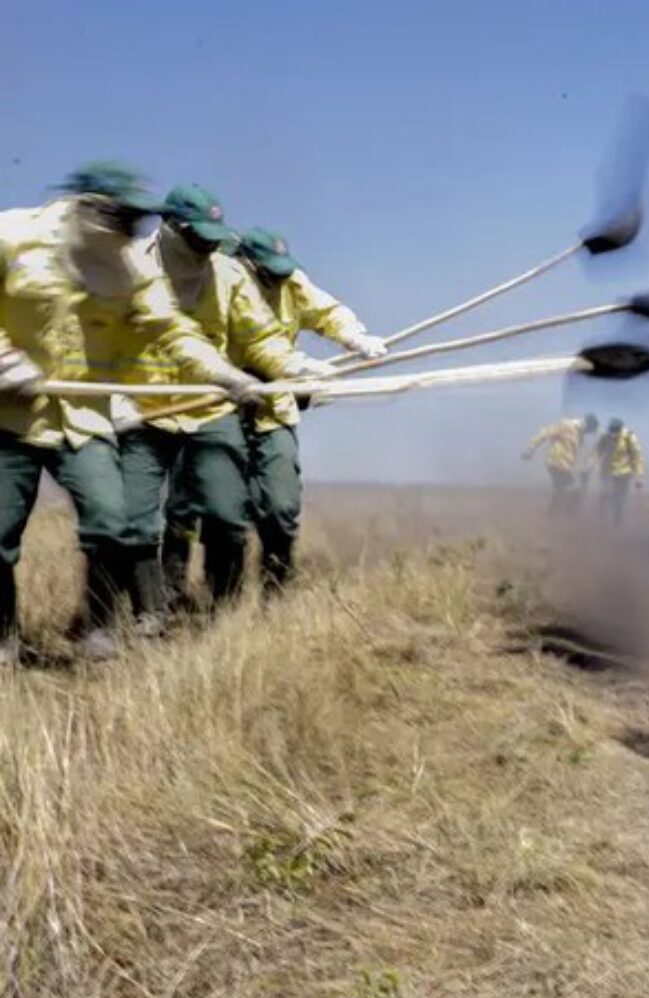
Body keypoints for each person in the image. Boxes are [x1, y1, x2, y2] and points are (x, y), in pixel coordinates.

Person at [0, 163, 264, 663]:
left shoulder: (132, 268)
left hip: (84, 417)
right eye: (122, 217)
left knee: (111, 521)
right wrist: (6, 359)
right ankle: (3, 639)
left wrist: (224, 374)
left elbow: (172, 329)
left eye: (136, 222)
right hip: (9, 418)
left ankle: (97, 627)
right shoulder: (12, 236)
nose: (130, 231)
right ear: (90, 207)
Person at [119, 184, 332, 621]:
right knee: (137, 520)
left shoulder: (228, 274)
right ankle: (150, 615)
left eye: (213, 238)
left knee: (226, 514)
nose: (206, 247)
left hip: (210, 409)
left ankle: (223, 615)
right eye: (197, 237)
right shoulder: (129, 265)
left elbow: (261, 339)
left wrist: (296, 367)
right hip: (142, 410)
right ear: (171, 227)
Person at [231, 226, 386, 590]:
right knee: (222, 510)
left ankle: (276, 589)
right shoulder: (226, 283)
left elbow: (325, 311)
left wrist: (354, 337)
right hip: (221, 409)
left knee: (281, 507)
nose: (279, 278)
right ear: (248, 264)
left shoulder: (291, 282)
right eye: (270, 271)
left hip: (274, 410)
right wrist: (303, 369)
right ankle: (223, 598)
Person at [523, 413, 599, 515]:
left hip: (566, 466)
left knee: (563, 488)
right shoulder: (565, 425)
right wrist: (531, 449)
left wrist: (584, 468)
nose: (588, 433)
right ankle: (559, 514)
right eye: (589, 430)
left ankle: (554, 513)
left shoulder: (580, 434)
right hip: (556, 462)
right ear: (587, 425)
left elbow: (575, 452)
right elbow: (544, 434)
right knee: (565, 486)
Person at [594, 418, 644, 524]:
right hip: (607, 471)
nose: (613, 433)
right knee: (605, 493)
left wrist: (638, 476)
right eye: (611, 430)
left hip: (624, 473)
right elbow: (597, 452)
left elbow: (637, 457)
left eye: (615, 431)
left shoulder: (629, 438)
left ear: (621, 429)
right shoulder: (605, 437)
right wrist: (589, 466)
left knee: (619, 498)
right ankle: (600, 518)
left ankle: (617, 521)